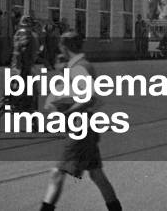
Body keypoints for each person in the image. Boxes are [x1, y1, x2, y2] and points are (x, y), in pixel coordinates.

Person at [39, 31, 123, 211]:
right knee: (96, 174)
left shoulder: (78, 68)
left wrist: (67, 111)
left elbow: (89, 98)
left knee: (57, 173)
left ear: (64, 46)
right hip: (87, 127)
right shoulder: (81, 65)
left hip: (80, 128)